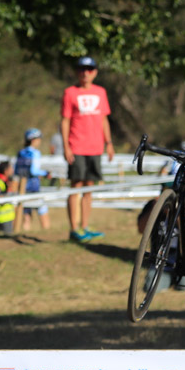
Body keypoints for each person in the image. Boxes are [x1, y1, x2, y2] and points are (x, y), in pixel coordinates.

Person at [61, 56, 114, 243]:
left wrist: (109, 143)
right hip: (77, 146)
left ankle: (85, 225)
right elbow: (65, 120)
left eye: (90, 69)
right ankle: (74, 228)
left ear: (95, 72)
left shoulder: (101, 92)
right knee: (75, 186)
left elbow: (103, 119)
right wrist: (66, 146)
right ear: (77, 72)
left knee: (89, 188)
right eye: (82, 69)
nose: (86, 73)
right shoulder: (70, 93)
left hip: (95, 147)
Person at [14, 128, 51, 232]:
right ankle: (47, 233)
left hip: (23, 187)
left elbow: (16, 171)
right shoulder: (35, 153)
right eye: (39, 139)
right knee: (42, 210)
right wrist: (46, 173)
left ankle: (24, 232)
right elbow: (34, 171)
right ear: (33, 140)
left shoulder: (20, 153)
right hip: (34, 186)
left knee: (26, 214)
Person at [0, 160, 16, 234]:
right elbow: (0, 198)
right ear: (6, 171)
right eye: (11, 169)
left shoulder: (7, 181)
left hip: (7, 216)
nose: (13, 171)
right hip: (2, 216)